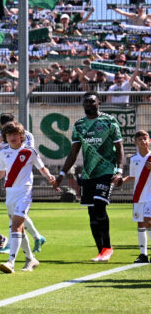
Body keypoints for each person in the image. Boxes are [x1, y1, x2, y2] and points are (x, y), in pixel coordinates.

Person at [0, 122, 58, 273]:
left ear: (21, 136)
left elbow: (42, 167)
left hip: (25, 193)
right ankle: (30, 259)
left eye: (15, 134)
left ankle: (11, 261)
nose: (13, 137)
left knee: (15, 225)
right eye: (9, 135)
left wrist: (50, 178)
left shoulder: (29, 151)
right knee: (18, 229)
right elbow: (0, 173)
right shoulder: (3, 152)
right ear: (5, 137)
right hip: (10, 194)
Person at [60, 91, 124, 262]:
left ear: (99, 103)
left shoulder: (109, 121)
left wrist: (119, 171)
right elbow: (73, 153)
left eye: (91, 101)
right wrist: (61, 174)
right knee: (91, 212)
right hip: (89, 173)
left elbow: (119, 148)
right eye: (85, 102)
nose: (88, 104)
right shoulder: (79, 125)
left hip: (107, 170)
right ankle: (100, 251)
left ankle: (108, 247)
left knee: (99, 206)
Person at [0, 112, 46, 251]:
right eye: (5, 128)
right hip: (10, 182)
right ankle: (37, 238)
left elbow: (25, 156)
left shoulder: (27, 135)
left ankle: (11, 251)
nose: (11, 134)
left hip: (23, 181)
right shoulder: (1, 138)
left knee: (17, 218)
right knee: (18, 216)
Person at [121, 130, 151, 264]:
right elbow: (133, 176)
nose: (143, 141)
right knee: (141, 223)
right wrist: (121, 180)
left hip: (150, 196)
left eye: (145, 139)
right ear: (135, 142)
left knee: (148, 221)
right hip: (138, 195)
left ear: (149, 140)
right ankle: (143, 254)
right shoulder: (134, 159)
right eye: (140, 139)